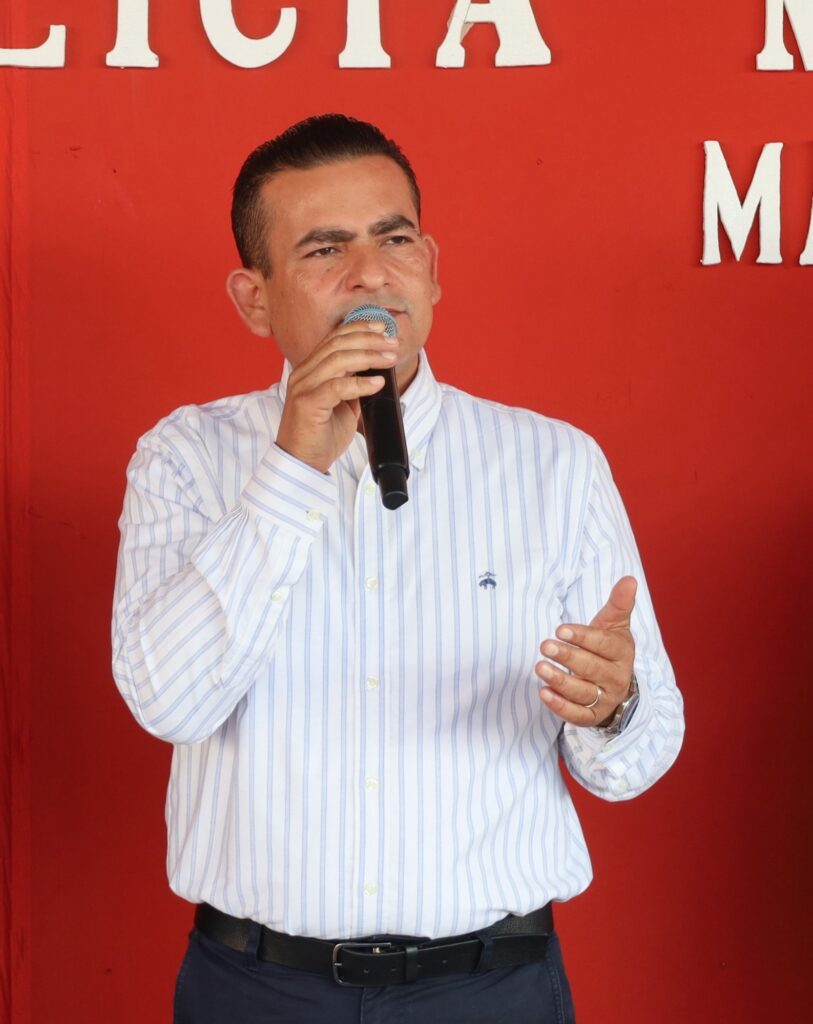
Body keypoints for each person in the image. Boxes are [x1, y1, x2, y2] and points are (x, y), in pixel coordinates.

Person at [112, 114, 684, 1023]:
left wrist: (613, 705)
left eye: (395, 239)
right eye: (323, 249)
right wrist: (292, 467)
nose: (370, 276)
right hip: (258, 989)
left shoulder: (554, 465)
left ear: (432, 268)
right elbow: (167, 704)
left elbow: (634, 764)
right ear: (254, 299)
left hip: (492, 989)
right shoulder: (185, 458)